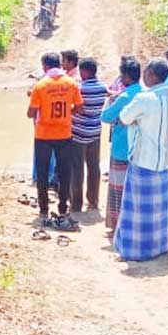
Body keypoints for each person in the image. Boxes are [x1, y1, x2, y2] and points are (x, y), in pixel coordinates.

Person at [114, 58, 168, 262]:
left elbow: (124, 117)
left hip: (144, 160)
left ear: (151, 74)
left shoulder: (145, 98)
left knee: (137, 211)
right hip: (165, 160)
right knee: (159, 210)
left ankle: (136, 250)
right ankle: (160, 246)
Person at [28, 52, 84, 228]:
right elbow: (80, 107)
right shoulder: (71, 83)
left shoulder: (40, 85)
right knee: (64, 173)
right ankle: (62, 209)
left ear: (45, 66)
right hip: (64, 134)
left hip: (43, 135)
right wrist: (67, 114)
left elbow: (30, 112)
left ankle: (44, 211)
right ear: (59, 64)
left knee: (43, 174)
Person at [101, 57, 143, 235]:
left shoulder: (124, 96)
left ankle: (118, 227)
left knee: (118, 189)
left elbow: (105, 117)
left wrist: (110, 101)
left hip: (120, 148)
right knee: (133, 189)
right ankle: (132, 224)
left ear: (125, 76)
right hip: (139, 150)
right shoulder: (143, 92)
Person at [70, 57, 108, 212]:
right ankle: (93, 201)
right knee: (94, 167)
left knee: (77, 169)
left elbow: (75, 108)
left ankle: (76, 204)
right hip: (95, 132)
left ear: (84, 71)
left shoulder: (79, 88)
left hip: (78, 133)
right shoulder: (103, 87)